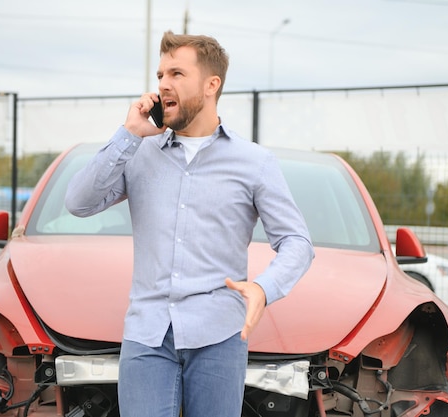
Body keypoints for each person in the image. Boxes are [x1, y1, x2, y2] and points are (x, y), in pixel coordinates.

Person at [65, 30, 314, 417]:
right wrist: (128, 134)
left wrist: (264, 289)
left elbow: (297, 241)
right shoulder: (138, 152)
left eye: (177, 74)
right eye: (161, 74)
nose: (163, 84)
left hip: (219, 336)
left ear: (211, 85)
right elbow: (78, 204)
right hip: (147, 336)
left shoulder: (255, 163)